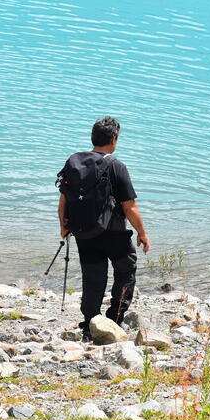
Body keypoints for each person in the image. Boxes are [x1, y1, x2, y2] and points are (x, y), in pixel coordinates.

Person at [58, 116, 150, 339]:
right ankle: (114, 319)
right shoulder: (116, 166)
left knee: (93, 277)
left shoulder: (73, 163)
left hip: (83, 231)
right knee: (125, 271)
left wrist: (63, 226)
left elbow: (63, 200)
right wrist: (143, 233)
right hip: (114, 233)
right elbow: (130, 207)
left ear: (93, 138)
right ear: (114, 139)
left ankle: (90, 322)